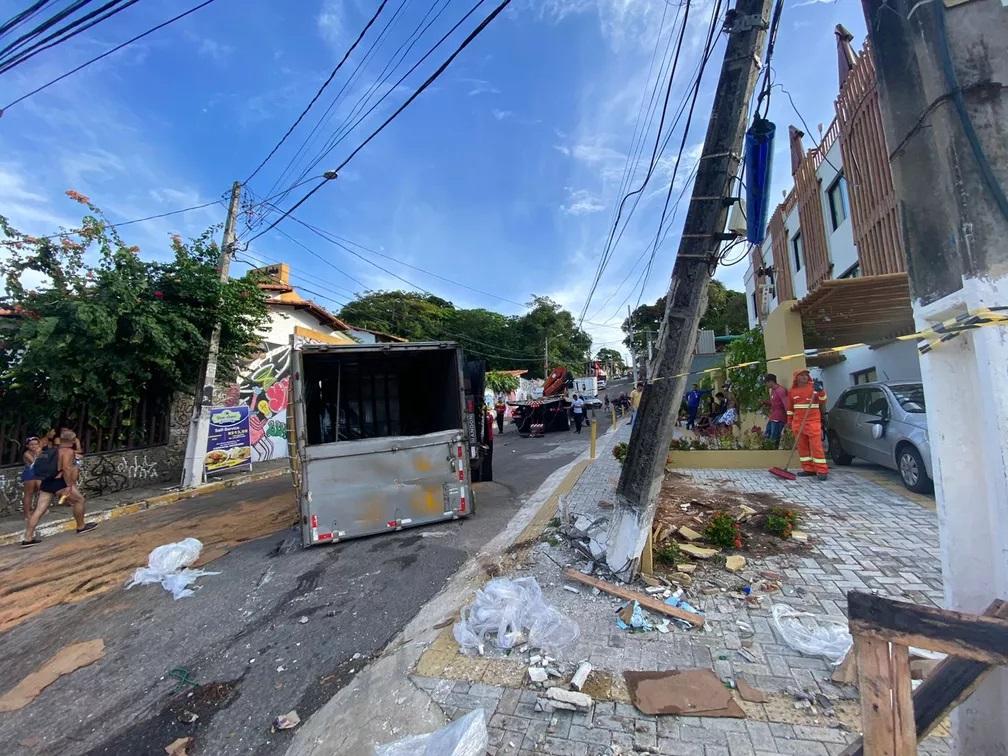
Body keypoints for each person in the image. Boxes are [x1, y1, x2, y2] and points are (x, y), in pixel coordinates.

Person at [21, 429, 97, 547]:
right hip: (59, 481)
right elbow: (66, 468)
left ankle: (28, 538)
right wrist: (69, 485)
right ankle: (81, 526)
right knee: (79, 500)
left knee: (39, 510)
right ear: (72, 440)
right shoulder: (68, 451)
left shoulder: (51, 450)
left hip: (46, 481)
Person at [787, 368, 829, 480]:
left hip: (813, 422)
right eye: (802, 375)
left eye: (806, 375)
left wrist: (820, 391)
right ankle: (808, 469)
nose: (805, 377)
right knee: (802, 447)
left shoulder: (813, 388)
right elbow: (790, 409)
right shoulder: (792, 391)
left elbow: (823, 400)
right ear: (796, 377)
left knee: (816, 446)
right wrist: (790, 421)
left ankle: (822, 470)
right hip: (798, 423)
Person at [762, 373, 789, 448]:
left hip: (779, 418)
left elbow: (786, 405)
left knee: (774, 437)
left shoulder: (780, 390)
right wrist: (766, 402)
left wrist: (789, 419)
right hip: (773, 417)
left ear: (771, 381)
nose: (766, 385)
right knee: (767, 434)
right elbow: (775, 402)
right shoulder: (773, 391)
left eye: (766, 383)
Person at [20, 436, 42, 521]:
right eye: (31, 445)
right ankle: (27, 514)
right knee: (28, 494)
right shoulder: (27, 454)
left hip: (38, 474)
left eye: (36, 444)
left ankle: (38, 509)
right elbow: (35, 463)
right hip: (30, 473)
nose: (34, 446)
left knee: (42, 490)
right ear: (27, 446)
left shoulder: (40, 452)